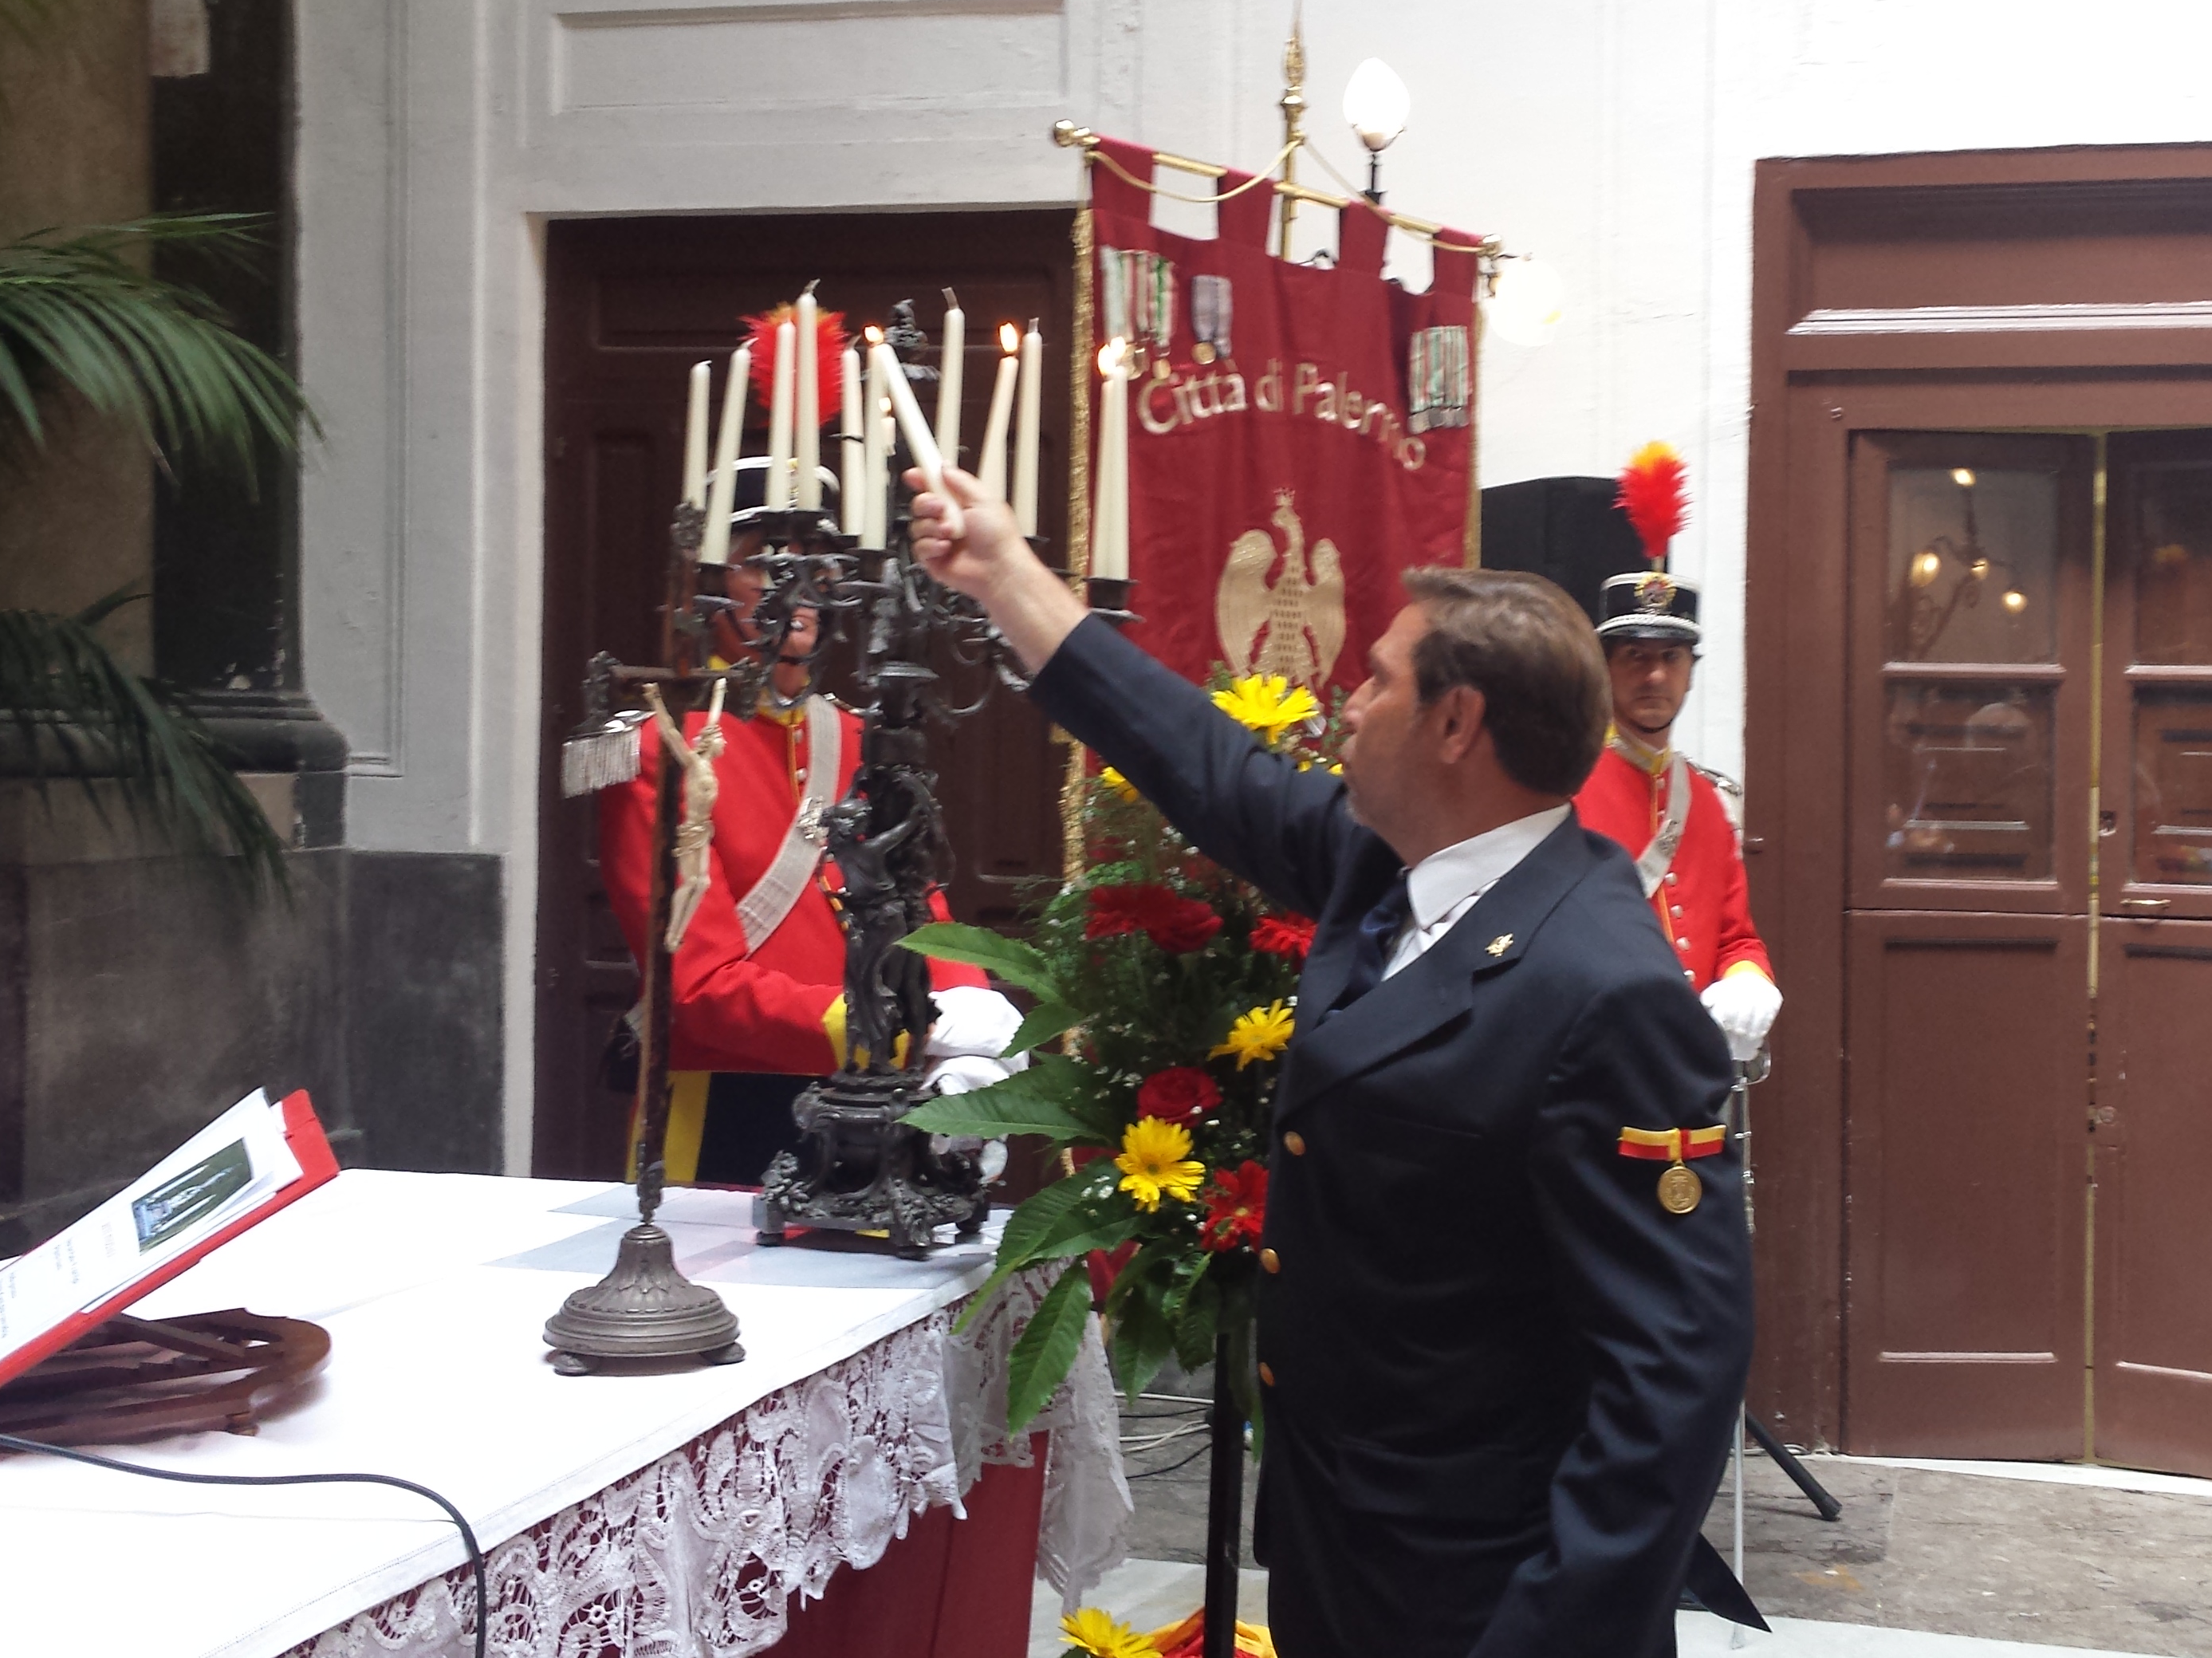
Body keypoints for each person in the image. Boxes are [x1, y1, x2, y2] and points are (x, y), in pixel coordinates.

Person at [909, 463, 1757, 1657]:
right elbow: (1206, 762)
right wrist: (1007, 576)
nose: (1346, 706)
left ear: (1456, 725)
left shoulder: (1608, 989)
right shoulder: (1395, 869)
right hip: (1342, 1551)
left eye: (1379, 679)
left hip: (1486, 1595)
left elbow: (1672, 1378)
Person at [596, 466, 1018, 1186]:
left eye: (816, 568)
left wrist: (966, 1010)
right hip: (729, 1108)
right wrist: (905, 1027)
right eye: (762, 565)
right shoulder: (659, 750)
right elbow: (696, 989)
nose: (795, 592)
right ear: (707, 583)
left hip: (883, 1093)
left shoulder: (857, 738)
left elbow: (918, 901)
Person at [1571, 565, 1777, 1067]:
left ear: (1690, 671)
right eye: (1635, 656)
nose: (1656, 676)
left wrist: (1748, 981)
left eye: (1671, 657)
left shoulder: (1708, 800)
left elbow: (1736, 938)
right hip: (1594, 1059)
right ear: (1604, 667)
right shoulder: (1562, 789)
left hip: (1686, 1066)